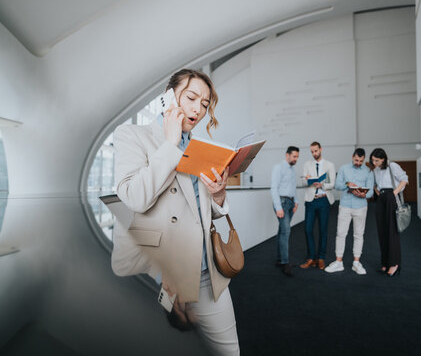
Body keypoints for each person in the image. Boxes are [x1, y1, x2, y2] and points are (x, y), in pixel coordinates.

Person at [111, 69, 240, 355]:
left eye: (205, 104)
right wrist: (169, 144)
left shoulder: (199, 148)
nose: (198, 109)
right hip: (165, 275)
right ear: (169, 96)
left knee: (229, 350)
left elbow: (202, 213)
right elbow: (134, 197)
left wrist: (218, 195)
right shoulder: (133, 135)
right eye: (192, 97)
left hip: (207, 271)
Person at [325, 148, 374, 275]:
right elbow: (337, 185)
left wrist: (364, 195)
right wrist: (348, 184)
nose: (358, 163)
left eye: (361, 161)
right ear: (352, 157)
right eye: (356, 160)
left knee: (358, 235)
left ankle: (356, 263)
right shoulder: (343, 168)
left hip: (361, 206)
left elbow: (371, 192)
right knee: (341, 233)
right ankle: (338, 262)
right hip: (345, 205)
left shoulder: (368, 171)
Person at [369, 148, 408, 277]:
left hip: (392, 197)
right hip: (381, 199)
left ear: (383, 159)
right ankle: (385, 262)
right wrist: (378, 193)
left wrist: (394, 193)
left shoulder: (392, 166)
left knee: (392, 231)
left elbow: (404, 179)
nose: (374, 162)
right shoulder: (375, 170)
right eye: (373, 160)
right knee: (382, 232)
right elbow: (374, 184)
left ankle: (394, 264)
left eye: (377, 160)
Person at [300, 142, 336, 270]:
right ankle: (311, 258)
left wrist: (323, 185)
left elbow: (333, 183)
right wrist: (307, 180)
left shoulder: (329, 165)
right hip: (311, 200)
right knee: (307, 229)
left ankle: (321, 258)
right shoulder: (307, 164)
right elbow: (303, 182)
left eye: (316, 151)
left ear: (320, 149)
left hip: (324, 200)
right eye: (312, 152)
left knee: (323, 230)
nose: (314, 153)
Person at [271, 146, 299, 276]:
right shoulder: (279, 168)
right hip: (281, 202)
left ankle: (279, 259)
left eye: (297, 157)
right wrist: (278, 207)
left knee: (282, 231)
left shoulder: (292, 170)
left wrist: (296, 201)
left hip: (290, 203)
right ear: (287, 155)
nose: (296, 159)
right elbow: (274, 188)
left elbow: (294, 186)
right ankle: (285, 262)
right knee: (286, 231)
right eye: (294, 156)